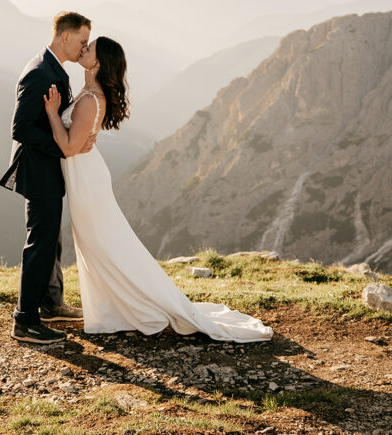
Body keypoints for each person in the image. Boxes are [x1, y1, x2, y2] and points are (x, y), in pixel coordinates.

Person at [42, 36, 273, 342]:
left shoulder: (89, 99)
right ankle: (114, 307)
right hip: (86, 176)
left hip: (86, 181)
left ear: (98, 63)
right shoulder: (89, 90)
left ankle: (129, 307)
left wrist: (51, 115)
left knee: (102, 246)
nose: (83, 50)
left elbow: (70, 146)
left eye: (90, 49)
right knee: (101, 246)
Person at [0, 11, 97, 344]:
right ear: (65, 37)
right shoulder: (40, 74)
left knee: (50, 238)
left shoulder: (53, 68)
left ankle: (50, 302)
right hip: (38, 170)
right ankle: (25, 320)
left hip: (48, 168)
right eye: (82, 41)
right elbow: (21, 128)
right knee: (39, 242)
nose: (84, 48)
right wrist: (65, 148)